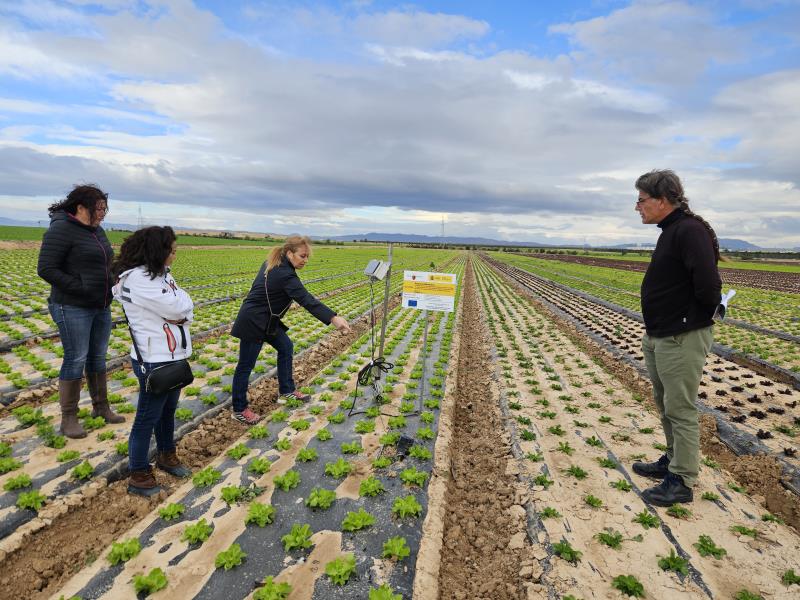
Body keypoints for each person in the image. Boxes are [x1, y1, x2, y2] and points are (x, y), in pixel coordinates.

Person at [632, 170, 722, 506]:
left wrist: (687, 320)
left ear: (662, 199)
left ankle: (682, 480)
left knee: (680, 409)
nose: (637, 206)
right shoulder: (671, 231)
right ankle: (672, 461)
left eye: (641, 200)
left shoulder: (689, 230)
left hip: (681, 337)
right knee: (665, 404)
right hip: (662, 335)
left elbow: (709, 288)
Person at [230, 235, 351, 424]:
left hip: (267, 320)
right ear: (289, 253)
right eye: (302, 256)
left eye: (307, 257)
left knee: (286, 347)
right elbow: (306, 299)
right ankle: (239, 409)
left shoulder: (277, 264)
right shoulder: (284, 274)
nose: (305, 260)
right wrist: (333, 318)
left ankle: (286, 390)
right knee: (245, 366)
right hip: (253, 321)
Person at [112, 226, 194, 496]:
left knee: (167, 411)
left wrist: (179, 309)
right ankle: (138, 474)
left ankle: (166, 455)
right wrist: (178, 309)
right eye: (171, 250)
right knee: (147, 417)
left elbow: (184, 305)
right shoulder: (138, 279)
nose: (175, 255)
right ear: (157, 251)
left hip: (171, 355)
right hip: (154, 359)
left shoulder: (160, 275)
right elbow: (178, 307)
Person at [37, 184, 123, 439]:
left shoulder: (97, 231)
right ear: (80, 207)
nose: (103, 213)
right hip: (71, 305)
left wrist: (115, 278)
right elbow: (47, 269)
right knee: (76, 358)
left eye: (105, 209)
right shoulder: (61, 229)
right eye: (98, 209)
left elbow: (107, 261)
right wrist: (82, 288)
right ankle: (69, 418)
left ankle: (101, 407)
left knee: (98, 357)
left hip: (101, 305)